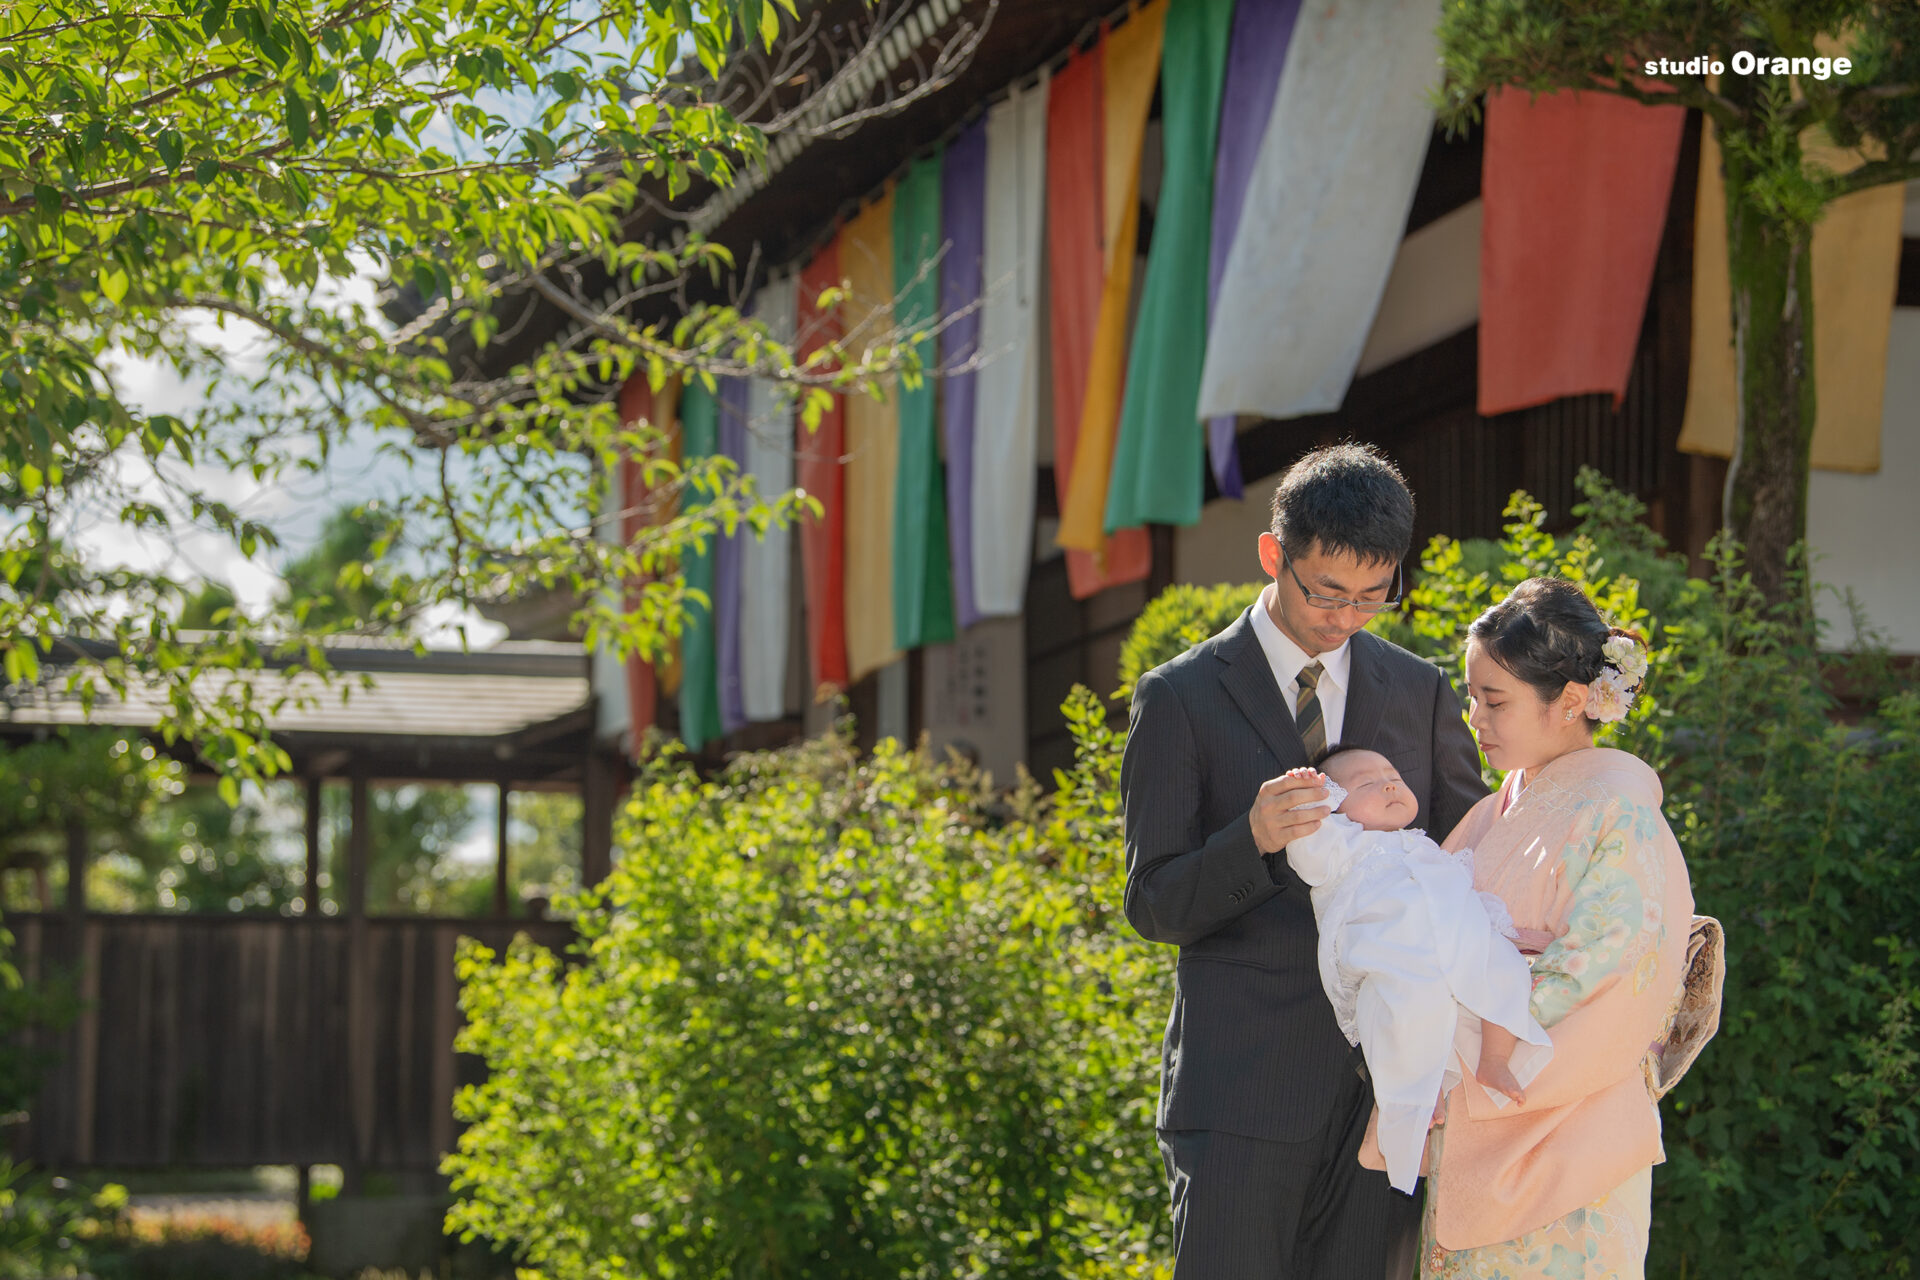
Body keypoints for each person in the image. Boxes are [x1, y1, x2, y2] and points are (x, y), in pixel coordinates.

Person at [1121, 443, 1486, 1280]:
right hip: (1242, 1098)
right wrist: (1250, 841)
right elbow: (1154, 901)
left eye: (1372, 596)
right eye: (1326, 592)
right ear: (1272, 555)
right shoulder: (1180, 697)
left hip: (1386, 1103)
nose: (1346, 617)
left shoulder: (1420, 691)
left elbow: (1470, 857)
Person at [1403, 577, 1695, 1279]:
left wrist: (1471, 1026)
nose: (1476, 716)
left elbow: (1610, 966)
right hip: (1475, 1110)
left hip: (1566, 1126)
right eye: (1472, 696)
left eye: (1494, 700)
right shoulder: (1499, 807)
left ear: (1569, 701)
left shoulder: (1617, 809)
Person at [1278, 747, 1553, 1195]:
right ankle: (1404, 1111)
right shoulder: (1335, 844)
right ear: (1334, 806)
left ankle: (1495, 1059)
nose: (1387, 783)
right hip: (1391, 956)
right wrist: (1307, 793)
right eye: (1365, 783)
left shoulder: (1425, 843)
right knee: (1407, 1018)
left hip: (1455, 934)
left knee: (1503, 969)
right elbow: (1302, 839)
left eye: (1392, 775)